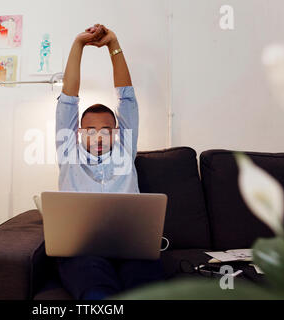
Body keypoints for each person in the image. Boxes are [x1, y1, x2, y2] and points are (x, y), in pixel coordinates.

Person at [55, 24, 164, 300]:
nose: (99, 136)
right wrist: (78, 44)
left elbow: (127, 97)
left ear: (117, 132)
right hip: (83, 252)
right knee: (96, 292)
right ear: (79, 134)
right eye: (90, 131)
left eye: (106, 129)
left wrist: (112, 44)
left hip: (131, 249)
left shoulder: (125, 148)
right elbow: (68, 99)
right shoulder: (69, 151)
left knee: (146, 289)